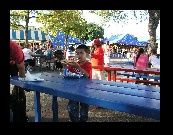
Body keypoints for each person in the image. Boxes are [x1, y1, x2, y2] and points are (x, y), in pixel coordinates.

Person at [62, 44, 92, 122]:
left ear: (87, 54)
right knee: (71, 108)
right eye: (77, 53)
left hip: (85, 90)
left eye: (81, 53)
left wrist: (78, 67)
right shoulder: (74, 64)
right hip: (74, 89)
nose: (79, 55)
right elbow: (68, 73)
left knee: (83, 111)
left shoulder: (88, 64)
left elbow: (87, 75)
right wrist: (65, 66)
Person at [10, 40, 29, 122]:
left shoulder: (14, 48)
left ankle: (20, 114)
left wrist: (21, 85)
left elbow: (21, 68)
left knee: (19, 92)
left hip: (14, 66)